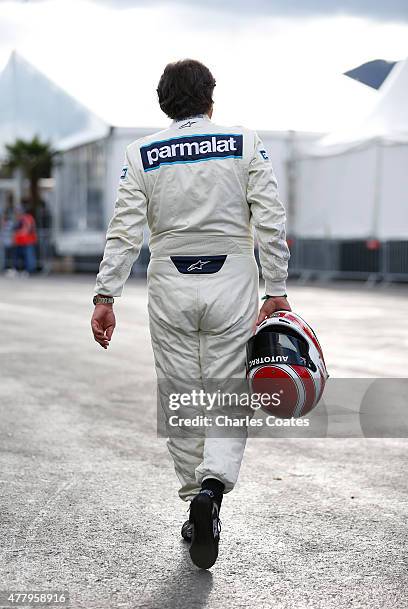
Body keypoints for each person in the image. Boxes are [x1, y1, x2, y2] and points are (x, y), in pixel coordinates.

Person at [91, 59, 291, 569]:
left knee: (180, 390)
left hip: (170, 280)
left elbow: (124, 230)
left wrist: (106, 296)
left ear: (164, 102)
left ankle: (192, 503)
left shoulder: (141, 154)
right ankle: (211, 492)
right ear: (210, 98)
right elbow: (269, 217)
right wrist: (277, 287)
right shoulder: (243, 142)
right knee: (226, 389)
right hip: (232, 278)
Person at [13, 201, 38, 275]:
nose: (17, 213)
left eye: (18, 211)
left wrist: (19, 232)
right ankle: (19, 270)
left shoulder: (27, 218)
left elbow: (27, 229)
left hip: (28, 241)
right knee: (19, 257)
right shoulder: (20, 219)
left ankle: (29, 271)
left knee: (29, 257)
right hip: (21, 241)